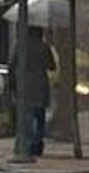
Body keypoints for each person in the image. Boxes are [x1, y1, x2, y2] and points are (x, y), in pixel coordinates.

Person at [11, 26, 56, 158]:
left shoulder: (20, 46)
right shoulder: (44, 47)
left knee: (26, 117)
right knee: (40, 116)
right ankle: (37, 143)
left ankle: (27, 143)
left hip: (24, 85)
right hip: (40, 84)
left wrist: (13, 84)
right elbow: (52, 66)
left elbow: (12, 65)